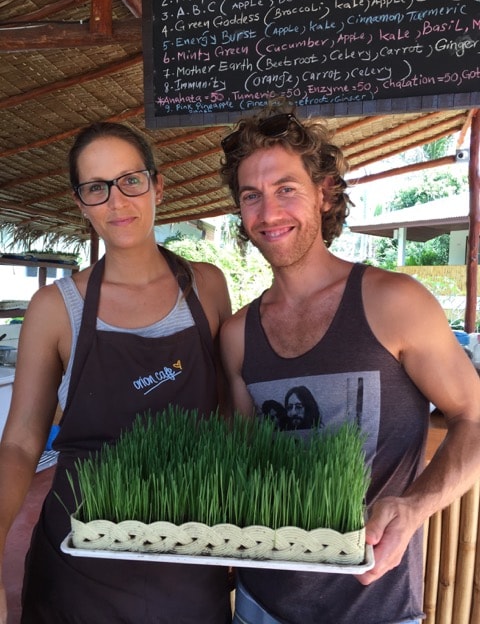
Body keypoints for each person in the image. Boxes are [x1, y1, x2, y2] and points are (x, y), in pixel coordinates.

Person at [219, 100, 480, 624]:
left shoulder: (394, 302)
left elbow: (474, 418)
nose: (268, 213)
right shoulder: (237, 334)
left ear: (324, 192)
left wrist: (415, 507)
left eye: (286, 189)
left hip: (374, 605)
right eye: (252, 196)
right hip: (259, 604)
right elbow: (246, 459)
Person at [0, 122, 233, 624]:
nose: (117, 201)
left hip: (187, 547)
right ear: (81, 203)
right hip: (78, 561)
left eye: (131, 180)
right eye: (96, 188)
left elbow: (228, 417)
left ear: (157, 185)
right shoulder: (56, 308)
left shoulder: (207, 288)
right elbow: (20, 444)